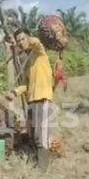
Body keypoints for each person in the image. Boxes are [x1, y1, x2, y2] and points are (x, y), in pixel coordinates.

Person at [5, 27, 54, 170]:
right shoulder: (27, 62)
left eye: (23, 39)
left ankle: (42, 168)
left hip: (43, 98)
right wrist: (14, 92)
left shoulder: (39, 53)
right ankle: (36, 162)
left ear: (29, 38)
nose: (21, 42)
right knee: (33, 134)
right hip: (31, 100)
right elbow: (26, 84)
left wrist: (19, 42)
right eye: (18, 40)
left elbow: (37, 42)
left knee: (41, 134)